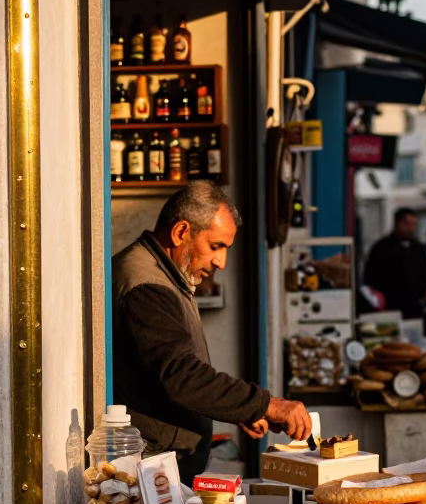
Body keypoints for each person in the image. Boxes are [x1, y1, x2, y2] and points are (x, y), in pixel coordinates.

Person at [112, 181, 311, 483]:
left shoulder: (165, 275)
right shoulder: (147, 287)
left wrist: (242, 409)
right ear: (181, 232)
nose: (221, 261)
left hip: (161, 463)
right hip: (150, 469)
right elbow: (183, 376)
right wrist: (266, 405)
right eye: (216, 246)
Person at [362, 207, 426, 319]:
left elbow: (425, 273)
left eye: (413, 224)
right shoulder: (382, 248)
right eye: (407, 224)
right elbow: (370, 278)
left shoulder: (418, 249)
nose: (411, 228)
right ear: (398, 224)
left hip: (414, 307)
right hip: (388, 307)